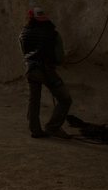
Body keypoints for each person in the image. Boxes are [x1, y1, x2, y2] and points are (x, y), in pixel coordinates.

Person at [19, 7, 72, 138]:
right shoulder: (53, 34)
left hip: (31, 70)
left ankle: (35, 130)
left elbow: (24, 53)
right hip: (47, 71)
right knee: (65, 99)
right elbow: (59, 57)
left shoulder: (23, 34)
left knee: (34, 100)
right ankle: (52, 127)